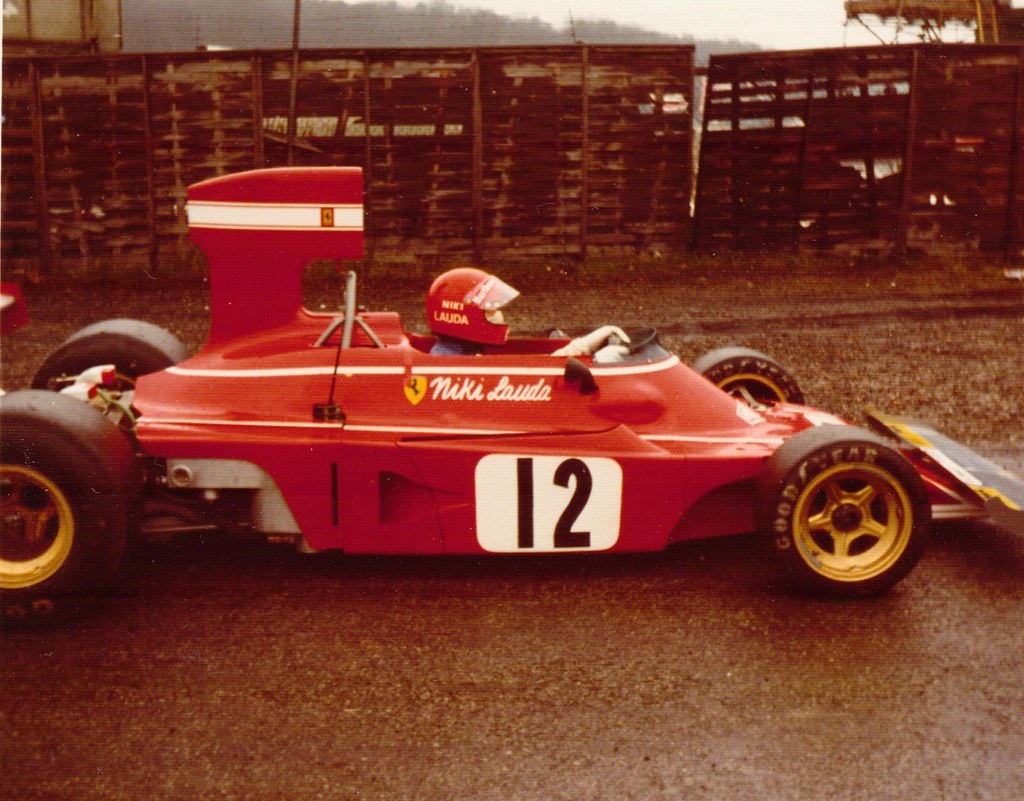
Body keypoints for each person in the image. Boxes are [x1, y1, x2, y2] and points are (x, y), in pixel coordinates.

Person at [426, 267, 629, 359]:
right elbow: (538, 374)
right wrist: (582, 347)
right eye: (492, 310)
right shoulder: (451, 364)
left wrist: (583, 344)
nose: (499, 316)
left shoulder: (464, 352)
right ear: (462, 317)